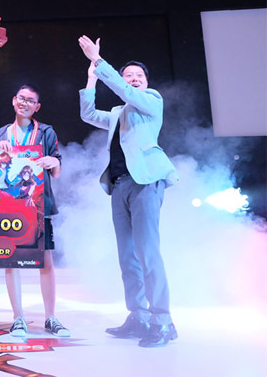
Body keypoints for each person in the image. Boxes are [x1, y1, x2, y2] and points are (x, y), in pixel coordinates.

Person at [77, 35, 179, 348]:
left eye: (139, 75)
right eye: (128, 75)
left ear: (146, 82)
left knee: (148, 252)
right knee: (128, 256)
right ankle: (139, 316)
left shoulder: (151, 101)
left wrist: (98, 60)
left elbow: (127, 93)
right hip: (119, 185)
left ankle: (163, 321)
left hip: (145, 182)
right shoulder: (118, 113)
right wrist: (92, 79)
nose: (134, 79)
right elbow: (88, 114)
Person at [0, 85, 70, 338]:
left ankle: (51, 317)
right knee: (11, 262)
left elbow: (56, 171)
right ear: (14, 101)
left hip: (39, 206)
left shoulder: (45, 132)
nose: (24, 103)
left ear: (37, 107)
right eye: (21, 98)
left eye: (30, 101)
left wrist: (53, 161)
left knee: (46, 263)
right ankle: (18, 318)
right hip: (9, 208)